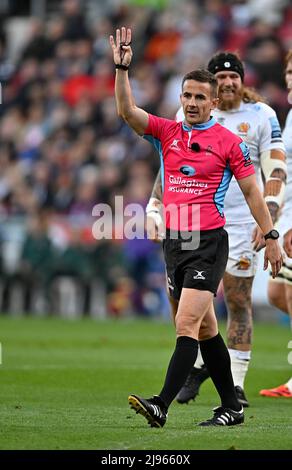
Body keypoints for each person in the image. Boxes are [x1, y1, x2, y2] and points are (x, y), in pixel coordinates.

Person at [109, 27, 282, 427]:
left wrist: (270, 235)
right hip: (175, 241)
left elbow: (255, 194)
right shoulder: (168, 132)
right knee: (205, 330)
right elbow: (126, 113)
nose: (191, 103)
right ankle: (232, 407)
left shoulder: (227, 142)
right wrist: (122, 70)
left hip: (208, 243)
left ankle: (161, 403)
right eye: (186, 96)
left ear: (214, 101)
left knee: (185, 324)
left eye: (200, 97)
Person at [146, 51, 287, 407]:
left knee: (238, 300)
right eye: (219, 77)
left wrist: (267, 220)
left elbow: (275, 171)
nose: (227, 82)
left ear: (241, 80)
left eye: (233, 76)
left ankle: (234, 385)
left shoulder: (261, 116)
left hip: (241, 223)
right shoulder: (188, 115)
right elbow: (171, 167)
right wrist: (155, 204)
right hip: (191, 223)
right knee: (190, 311)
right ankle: (200, 369)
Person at [260, 50, 292, 399]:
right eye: (288, 71)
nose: (290, 77)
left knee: (286, 291)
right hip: (287, 212)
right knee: (275, 293)